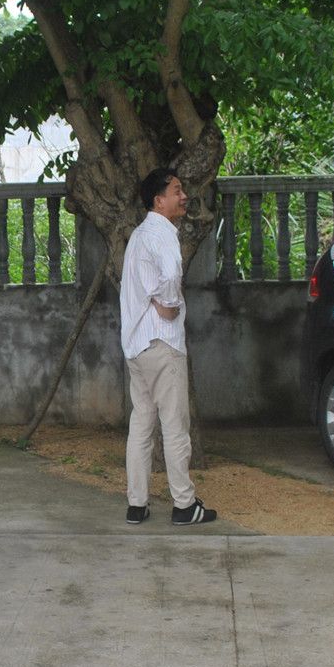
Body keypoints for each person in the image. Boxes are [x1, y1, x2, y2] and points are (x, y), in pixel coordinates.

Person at [120, 168, 217, 527]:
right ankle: (184, 505)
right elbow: (172, 272)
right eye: (177, 190)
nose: (184, 195)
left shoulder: (137, 236)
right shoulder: (162, 233)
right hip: (162, 343)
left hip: (136, 346)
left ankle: (137, 505)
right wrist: (169, 304)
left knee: (141, 425)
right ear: (159, 200)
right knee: (175, 426)